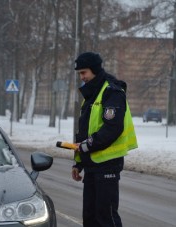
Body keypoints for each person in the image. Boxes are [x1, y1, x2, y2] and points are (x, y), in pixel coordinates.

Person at [71, 52, 138, 227]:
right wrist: (78, 163)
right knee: (90, 218)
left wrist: (86, 146)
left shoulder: (111, 91)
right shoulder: (92, 95)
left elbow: (112, 129)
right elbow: (85, 131)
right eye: (79, 73)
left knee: (106, 218)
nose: (82, 77)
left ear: (94, 70)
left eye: (84, 72)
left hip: (108, 163)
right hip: (93, 164)